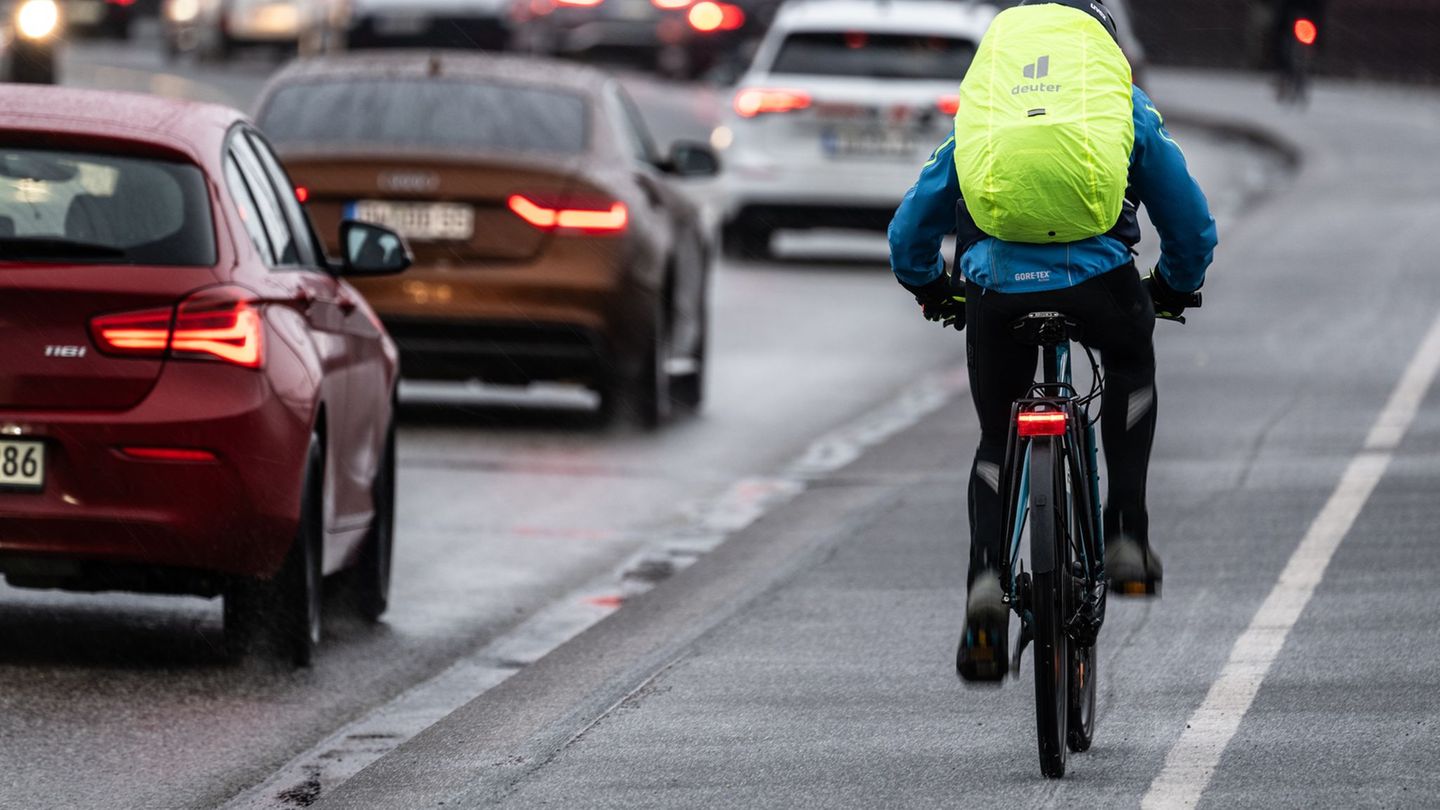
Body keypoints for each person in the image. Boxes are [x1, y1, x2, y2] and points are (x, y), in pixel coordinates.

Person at [887, 0, 1218, 681]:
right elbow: (1187, 218)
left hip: (996, 288)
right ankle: (1125, 533)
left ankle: (985, 582)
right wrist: (1174, 285)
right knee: (1130, 363)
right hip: (1098, 283)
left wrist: (933, 287)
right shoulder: (1119, 103)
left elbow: (911, 228)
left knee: (995, 437)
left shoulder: (987, 110)